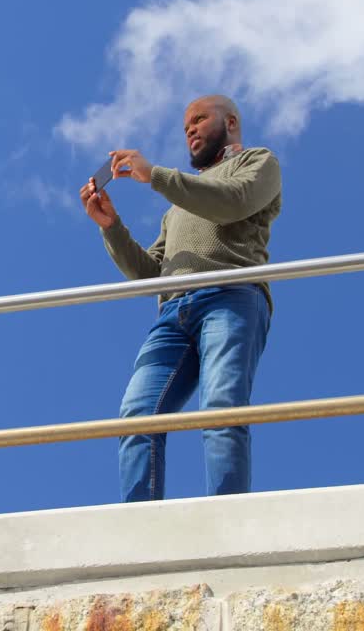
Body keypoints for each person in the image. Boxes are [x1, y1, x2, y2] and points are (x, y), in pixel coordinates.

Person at [78, 95, 281, 501]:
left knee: (223, 407)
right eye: (185, 124)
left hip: (230, 295)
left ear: (232, 121)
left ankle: (228, 517)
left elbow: (232, 204)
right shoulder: (177, 208)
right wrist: (112, 228)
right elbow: (152, 274)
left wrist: (154, 175)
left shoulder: (258, 162)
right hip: (171, 315)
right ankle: (140, 525)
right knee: (136, 415)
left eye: (200, 119)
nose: (189, 129)